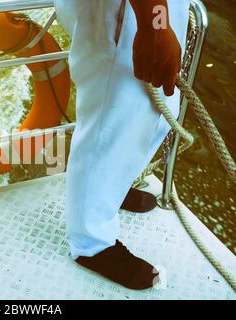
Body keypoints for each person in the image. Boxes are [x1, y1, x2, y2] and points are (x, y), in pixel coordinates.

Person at [55, 0, 191, 290]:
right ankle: (91, 243)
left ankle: (109, 189)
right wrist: (156, 26)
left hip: (144, 11)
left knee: (144, 112)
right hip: (134, 11)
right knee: (113, 117)